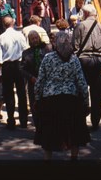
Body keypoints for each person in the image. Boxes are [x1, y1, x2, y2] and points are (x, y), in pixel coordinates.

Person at [34, 30, 90, 161]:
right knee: (74, 130)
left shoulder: (48, 58)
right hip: (71, 98)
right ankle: (74, 157)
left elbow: (40, 80)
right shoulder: (74, 59)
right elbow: (81, 81)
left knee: (49, 131)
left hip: (50, 99)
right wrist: (86, 100)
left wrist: (37, 98)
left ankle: (48, 159)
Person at [72, 4, 101, 130]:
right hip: (98, 61)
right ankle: (95, 121)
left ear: (86, 14)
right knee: (96, 91)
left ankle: (81, 119)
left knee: (81, 90)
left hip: (83, 60)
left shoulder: (80, 26)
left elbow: (75, 45)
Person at [0, 16, 28, 130]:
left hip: (7, 66)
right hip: (19, 65)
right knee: (21, 93)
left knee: (8, 94)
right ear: (13, 23)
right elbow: (25, 50)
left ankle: (11, 120)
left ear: (4, 25)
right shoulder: (19, 36)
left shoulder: (0, 38)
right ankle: (23, 120)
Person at [20, 30, 52, 128]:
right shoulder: (26, 53)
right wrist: (31, 78)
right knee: (35, 105)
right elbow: (22, 69)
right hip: (33, 82)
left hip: (47, 82)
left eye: (36, 38)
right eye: (32, 39)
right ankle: (38, 127)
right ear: (29, 41)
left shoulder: (47, 49)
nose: (35, 40)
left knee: (47, 105)